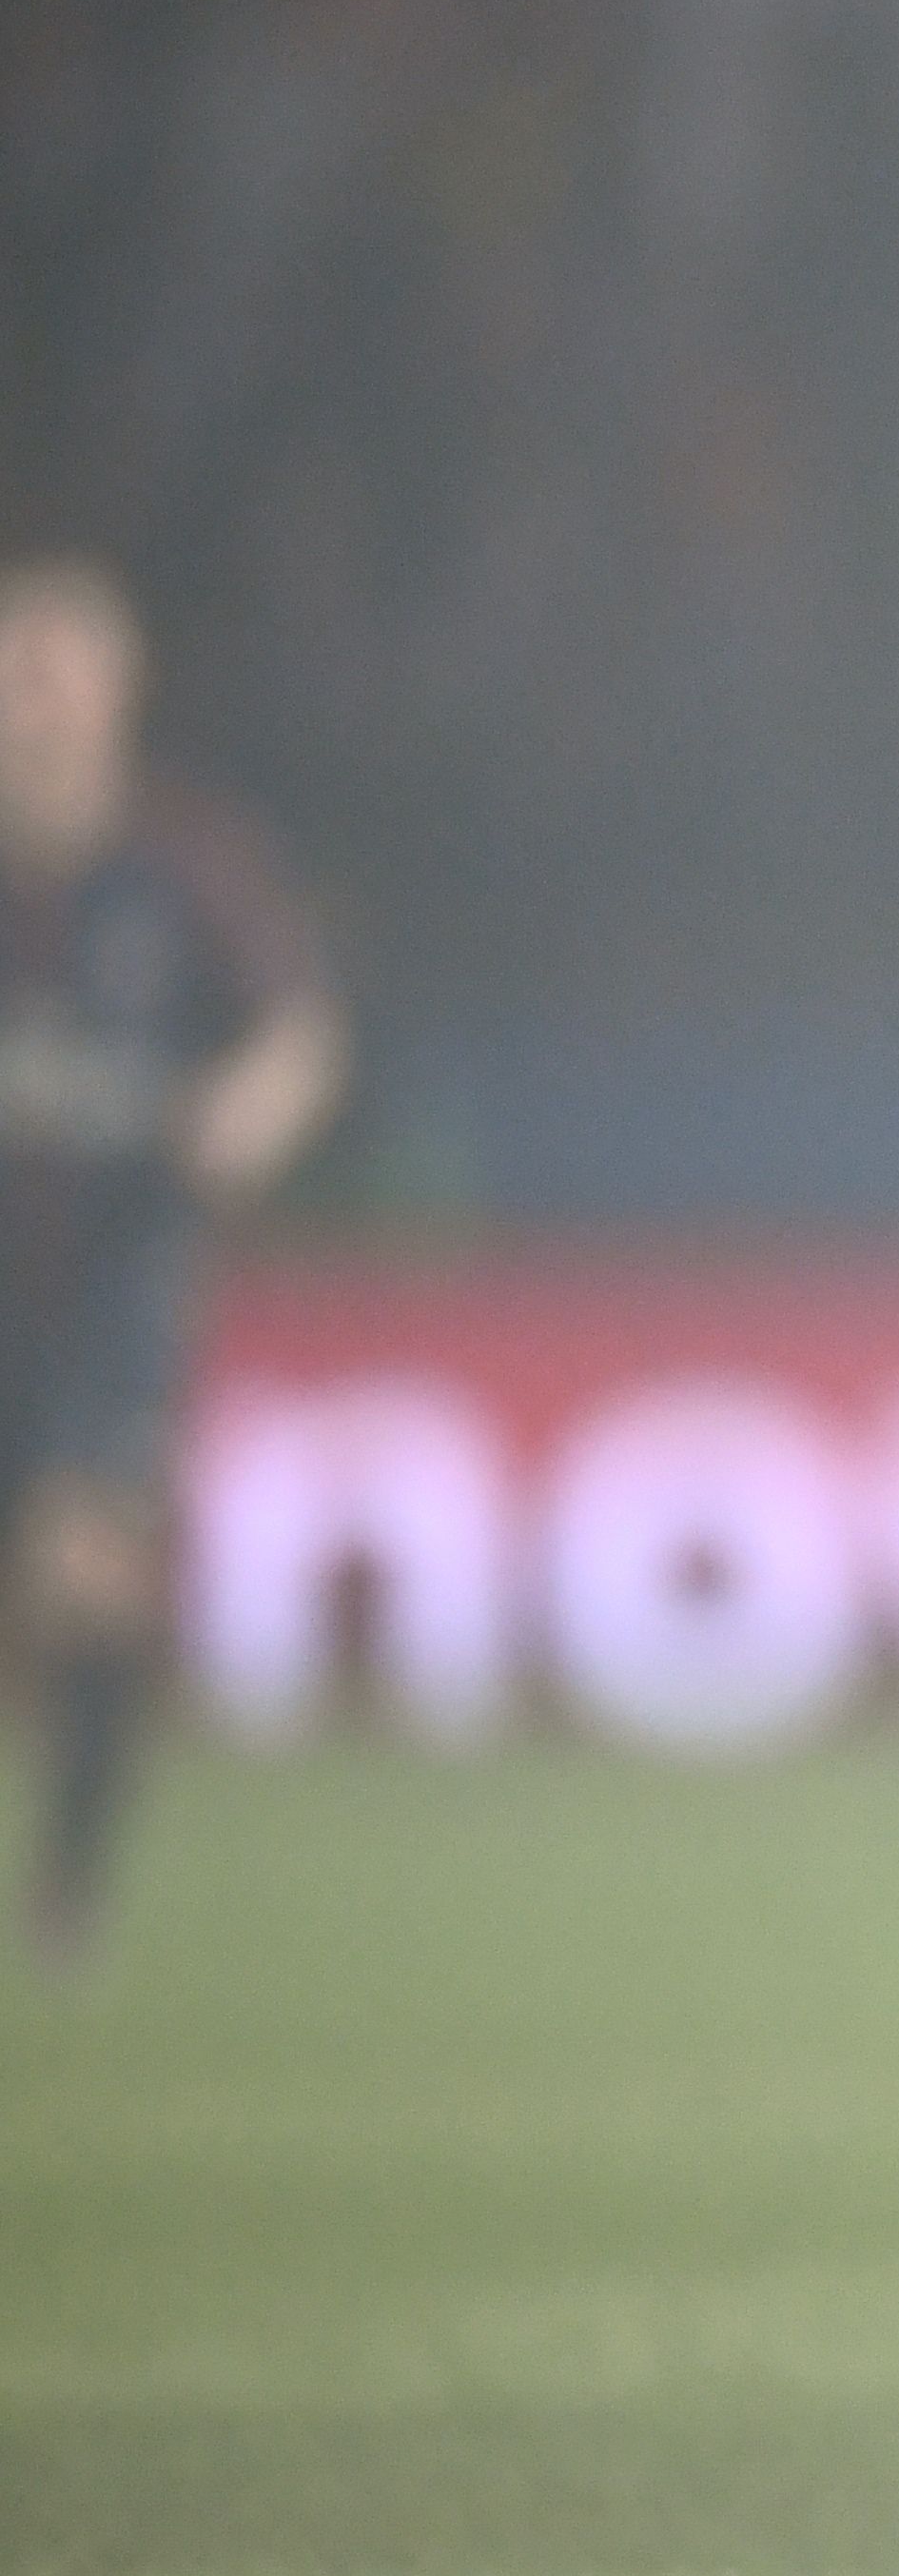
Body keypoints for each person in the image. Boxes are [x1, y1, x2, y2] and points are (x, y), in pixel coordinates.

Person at [0, 559, 341, 1971]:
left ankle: (70, 1884)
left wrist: (253, 1107)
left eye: (64, 672)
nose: (40, 701)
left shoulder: (183, 863)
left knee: (87, 1574)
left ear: (119, 694)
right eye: (21, 671)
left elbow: (299, 1031)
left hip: (112, 1276)